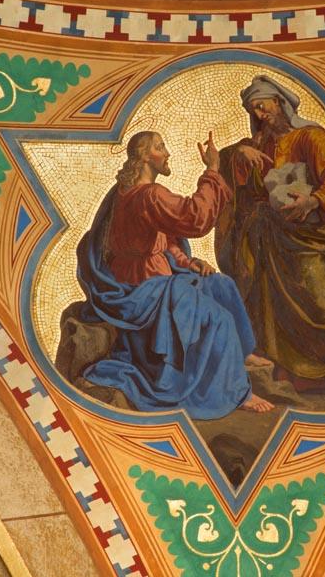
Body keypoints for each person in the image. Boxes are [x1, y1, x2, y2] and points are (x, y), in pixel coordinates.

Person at [76, 130, 274, 419]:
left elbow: (163, 238)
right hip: (144, 286)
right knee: (219, 319)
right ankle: (237, 392)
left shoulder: (127, 191)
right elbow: (195, 217)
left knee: (221, 285)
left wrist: (187, 262)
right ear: (145, 157)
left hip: (157, 274)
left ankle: (241, 354)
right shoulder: (150, 195)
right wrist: (212, 169)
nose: (167, 153)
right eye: (160, 147)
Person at [214, 76, 325, 402]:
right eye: (253, 110)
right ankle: (291, 371)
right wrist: (239, 152)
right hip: (267, 237)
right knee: (269, 305)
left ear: (279, 102)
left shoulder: (309, 137)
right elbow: (227, 165)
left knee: (320, 299)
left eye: (263, 105)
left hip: (304, 234)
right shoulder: (258, 143)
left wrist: (313, 201)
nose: (260, 114)